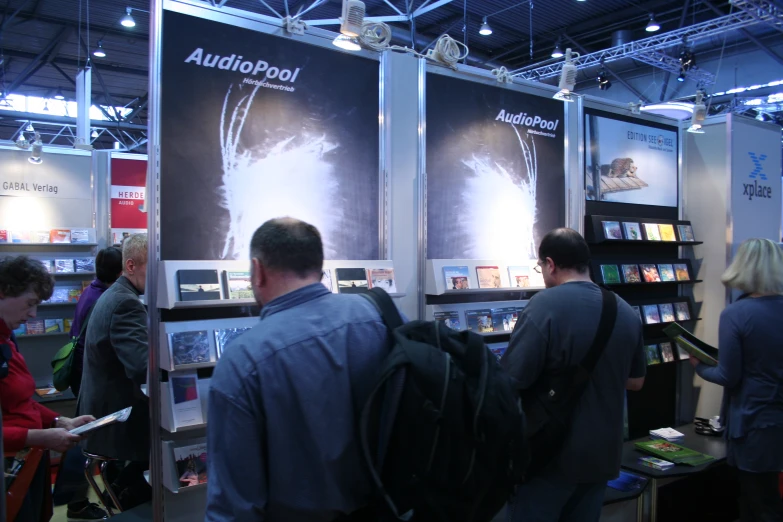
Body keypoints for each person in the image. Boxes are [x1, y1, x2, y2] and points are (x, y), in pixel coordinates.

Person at [206, 218, 392, 521]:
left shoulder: (243, 362)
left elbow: (233, 506)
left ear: (257, 270)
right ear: (319, 266)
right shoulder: (380, 315)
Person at [501, 228, 646, 522]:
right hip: (601, 458)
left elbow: (512, 379)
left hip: (549, 458)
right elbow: (636, 382)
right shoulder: (626, 311)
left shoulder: (545, 306)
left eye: (540, 267)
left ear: (550, 264)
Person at [692, 238, 783, 521]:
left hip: (754, 424)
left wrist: (699, 365)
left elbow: (728, 375)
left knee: (757, 503)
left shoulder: (736, 314)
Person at [0, 256, 97, 522]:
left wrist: (59, 420)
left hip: (26, 463)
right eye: (29, 304)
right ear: (4, 291)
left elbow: (20, 401)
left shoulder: (6, 339)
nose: (32, 314)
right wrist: (36, 437)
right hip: (11, 466)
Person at [79, 233, 150, 510]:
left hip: (108, 409)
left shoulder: (116, 295)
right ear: (131, 266)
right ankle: (126, 499)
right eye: (152, 267)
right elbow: (142, 366)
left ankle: (121, 493)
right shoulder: (126, 303)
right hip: (117, 418)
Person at [69, 246, 123, 397]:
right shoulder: (106, 299)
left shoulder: (90, 290)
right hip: (90, 369)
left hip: (81, 365)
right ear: (121, 272)